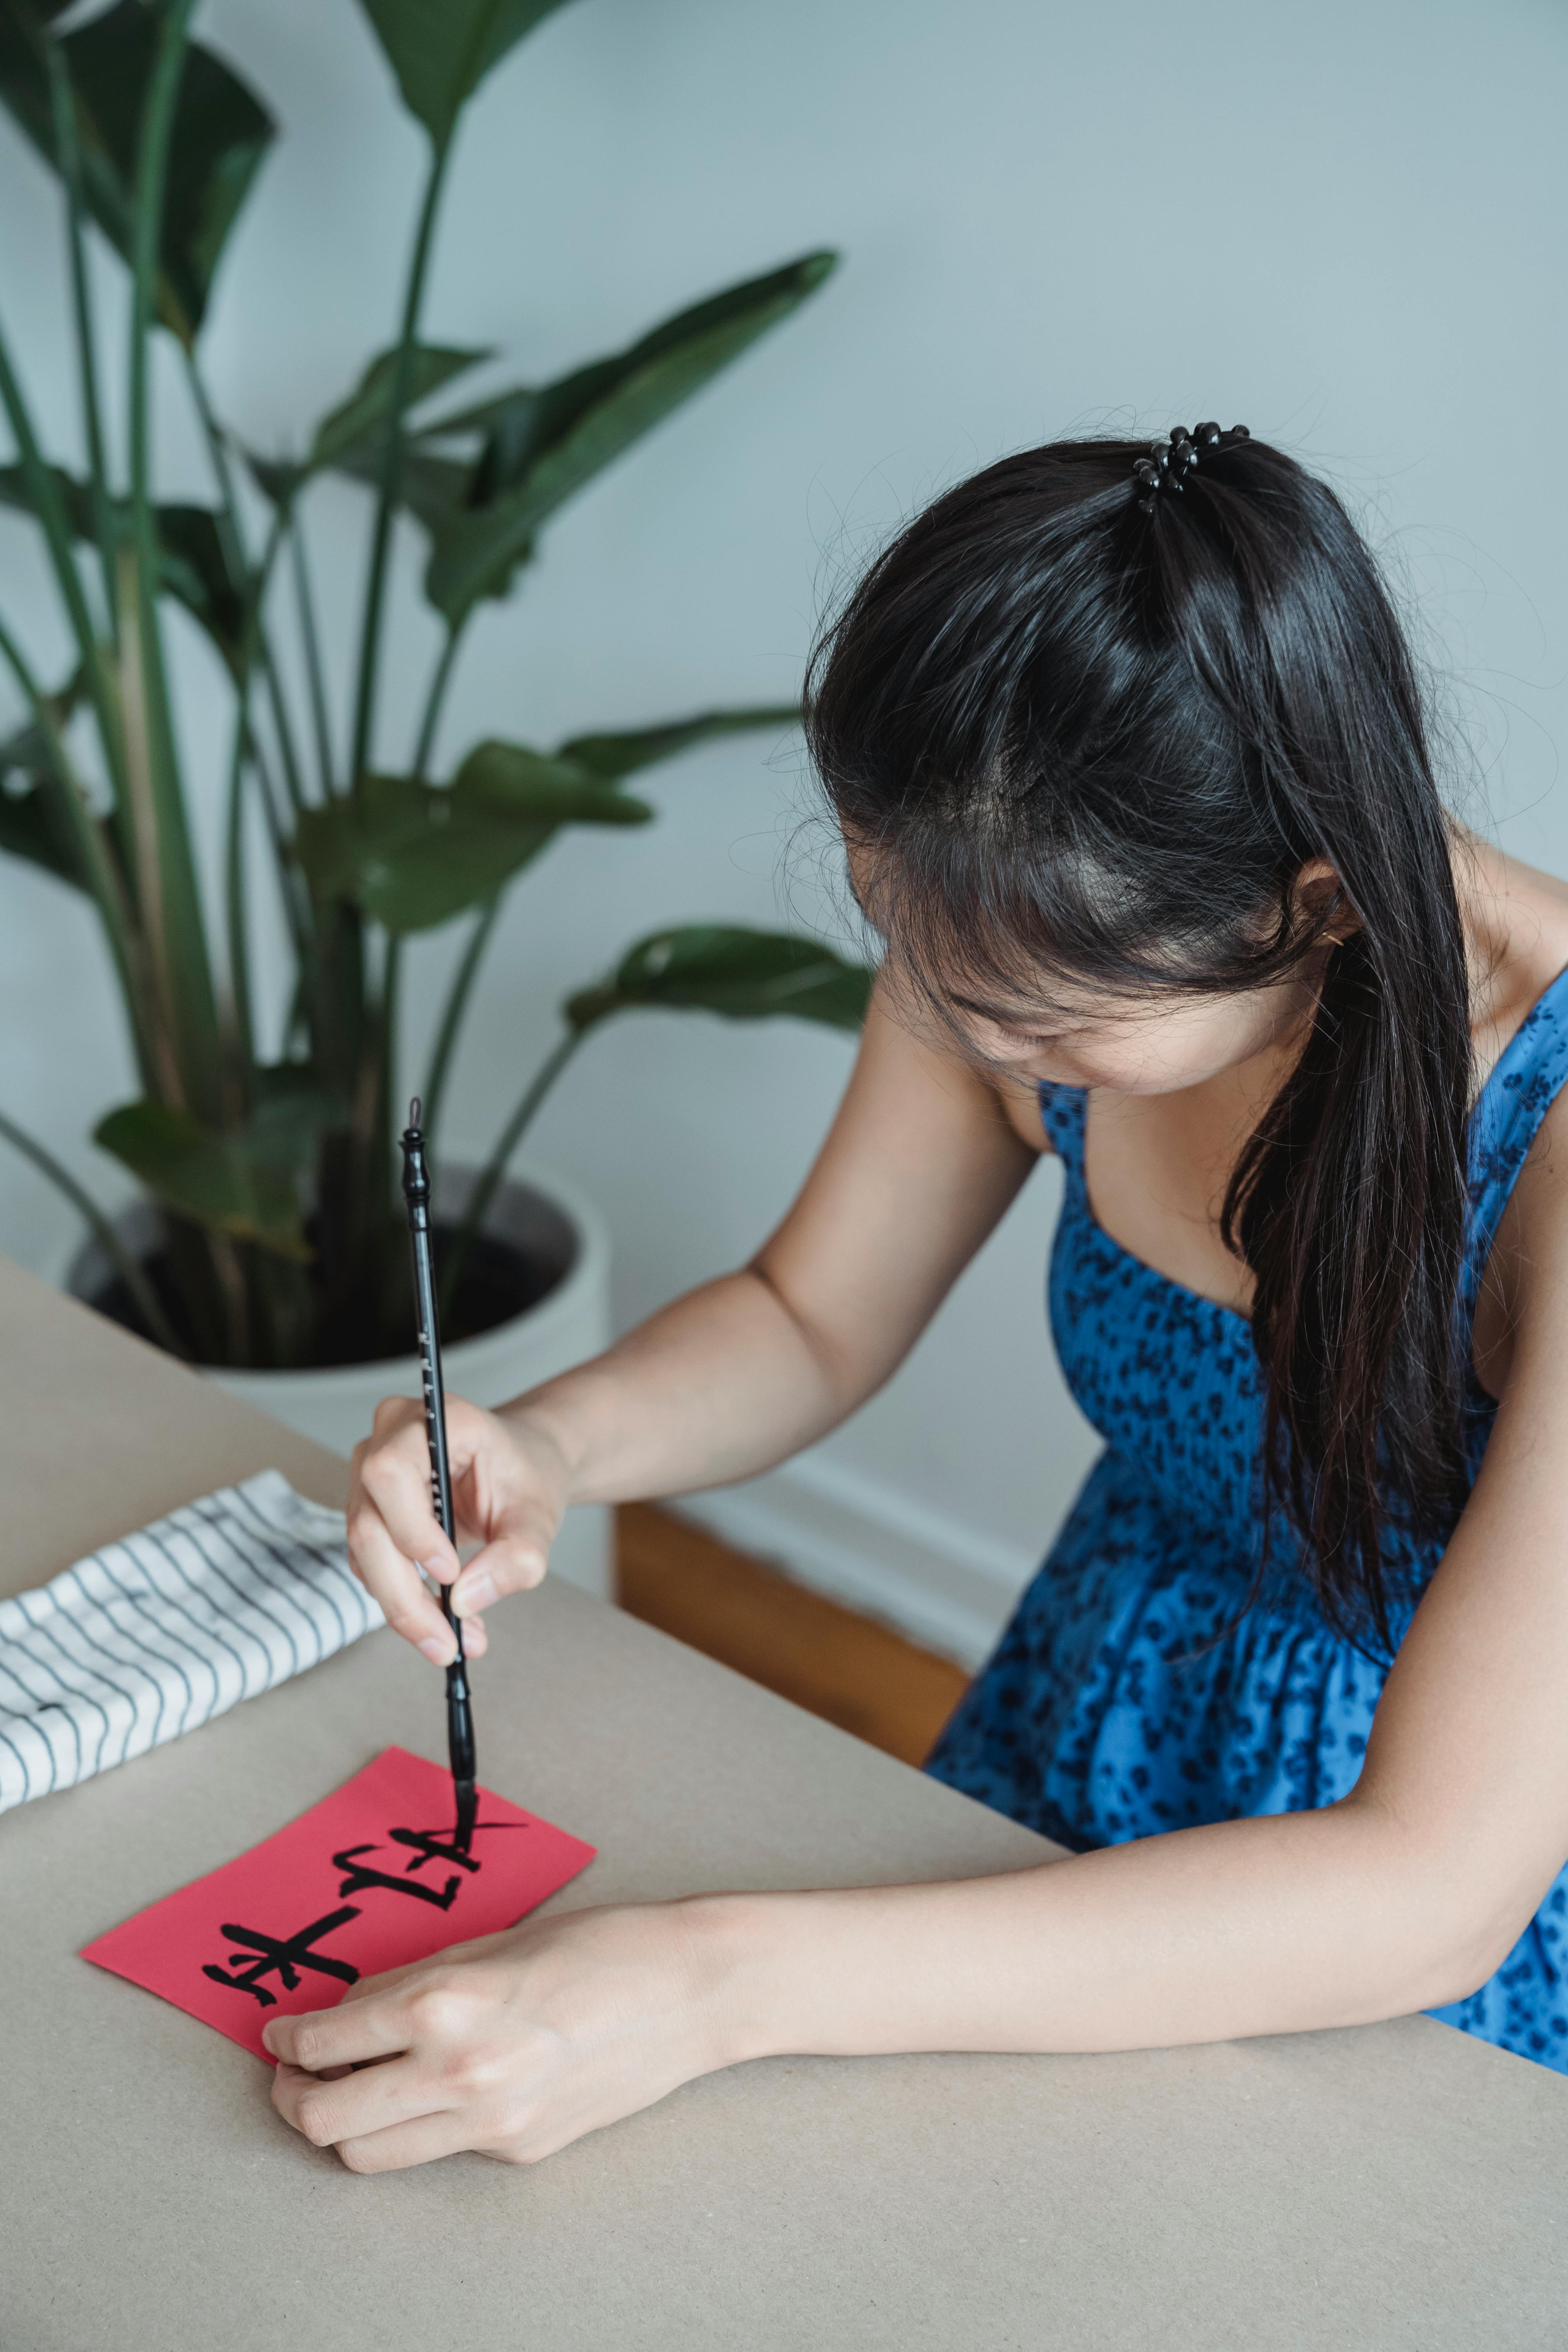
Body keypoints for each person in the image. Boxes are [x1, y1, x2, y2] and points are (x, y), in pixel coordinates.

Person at [264, 425, 1568, 2172]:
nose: (972, 1047)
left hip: (1407, 1908)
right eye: (921, 969)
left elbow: (1426, 1890)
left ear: (1313, 904)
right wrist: (550, 1444)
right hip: (1090, 1711)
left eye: (1043, 1031)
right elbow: (812, 1315)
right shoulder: (1002, 923)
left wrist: (707, 1982)